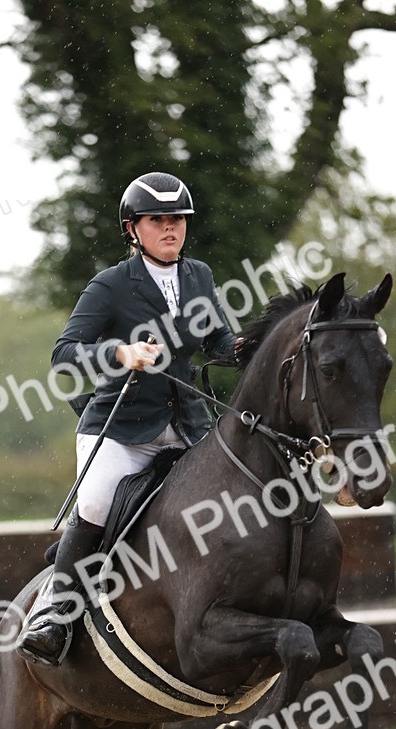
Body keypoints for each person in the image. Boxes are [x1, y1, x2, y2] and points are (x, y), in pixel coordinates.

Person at [15, 170, 237, 667]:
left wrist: (251, 347)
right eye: (158, 220)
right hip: (120, 429)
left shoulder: (199, 276)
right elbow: (65, 354)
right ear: (132, 229)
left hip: (188, 426)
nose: (171, 229)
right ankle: (55, 613)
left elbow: (216, 341)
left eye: (178, 219)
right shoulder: (111, 285)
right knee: (94, 503)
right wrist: (120, 353)